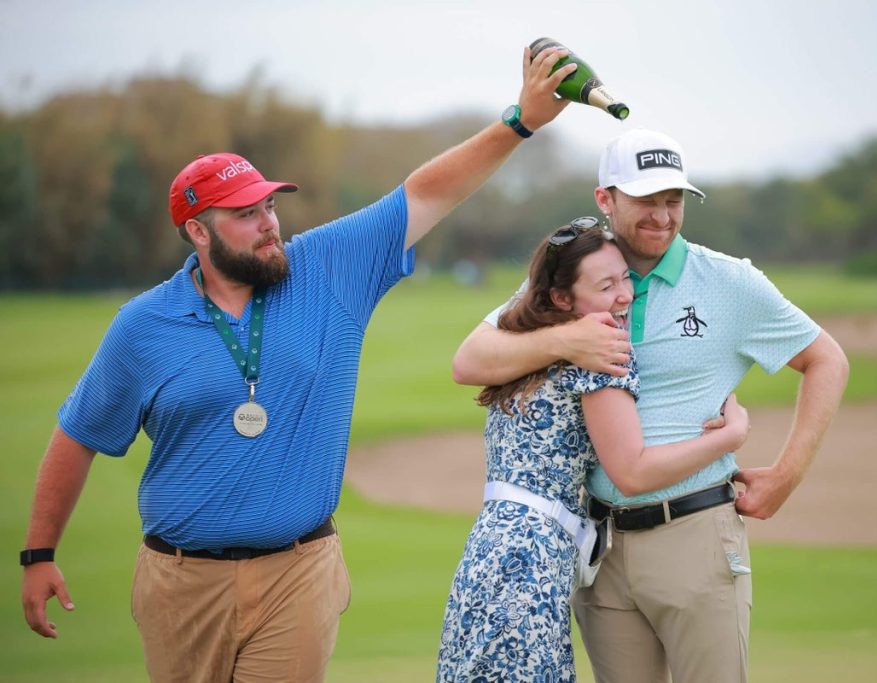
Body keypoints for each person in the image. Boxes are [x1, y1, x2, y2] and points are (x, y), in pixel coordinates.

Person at [19, 45, 577, 683]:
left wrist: (520, 121)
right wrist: (39, 552)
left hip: (298, 571)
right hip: (180, 583)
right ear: (198, 233)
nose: (268, 225)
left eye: (270, 207)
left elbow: (426, 193)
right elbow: (78, 435)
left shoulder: (327, 268)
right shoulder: (142, 327)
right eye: (245, 214)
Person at [451, 129, 850, 683]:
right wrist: (566, 340)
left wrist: (788, 474)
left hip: (695, 533)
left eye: (673, 200)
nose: (662, 216)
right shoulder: (583, 276)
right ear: (605, 200)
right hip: (601, 550)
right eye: (646, 201)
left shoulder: (729, 282)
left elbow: (827, 360)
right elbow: (471, 360)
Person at [437, 220, 751, 682]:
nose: (626, 294)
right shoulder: (603, 352)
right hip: (533, 559)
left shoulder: (523, 346)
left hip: (488, 550)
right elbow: (634, 472)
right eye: (607, 285)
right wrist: (729, 437)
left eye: (625, 277)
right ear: (563, 298)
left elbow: (468, 363)